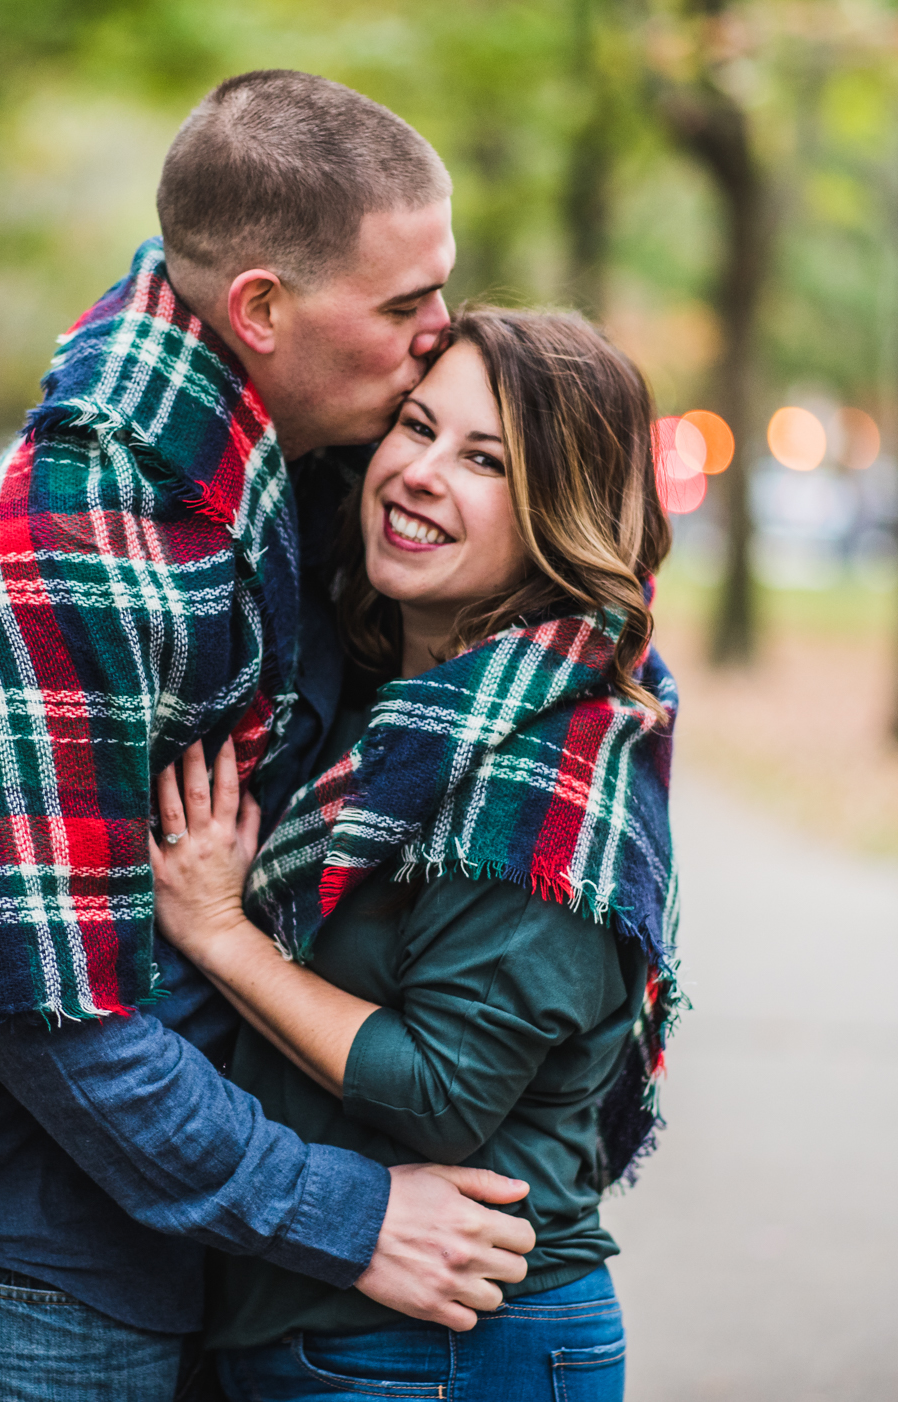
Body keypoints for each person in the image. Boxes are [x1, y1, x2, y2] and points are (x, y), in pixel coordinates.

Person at [0, 72, 541, 1402]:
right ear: (260, 309)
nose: (441, 335)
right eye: (405, 306)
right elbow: (51, 1020)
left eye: (446, 291)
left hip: (160, 1251)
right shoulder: (59, 544)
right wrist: (355, 1213)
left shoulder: (278, 493)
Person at [148, 309, 686, 1401]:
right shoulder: (395, 715)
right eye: (416, 426)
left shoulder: (547, 764)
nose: (420, 474)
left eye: (485, 460)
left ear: (560, 515)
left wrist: (218, 933)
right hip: (345, 1332)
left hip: (443, 1352)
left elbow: (441, 1089)